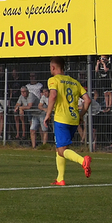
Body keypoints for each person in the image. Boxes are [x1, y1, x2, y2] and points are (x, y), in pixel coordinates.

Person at [44, 56, 92, 186]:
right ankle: (60, 179)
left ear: (53, 67)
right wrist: (81, 115)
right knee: (60, 148)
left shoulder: (54, 80)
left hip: (61, 118)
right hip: (74, 118)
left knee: (61, 149)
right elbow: (87, 100)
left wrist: (48, 114)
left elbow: (53, 95)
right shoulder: (74, 82)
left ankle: (83, 161)